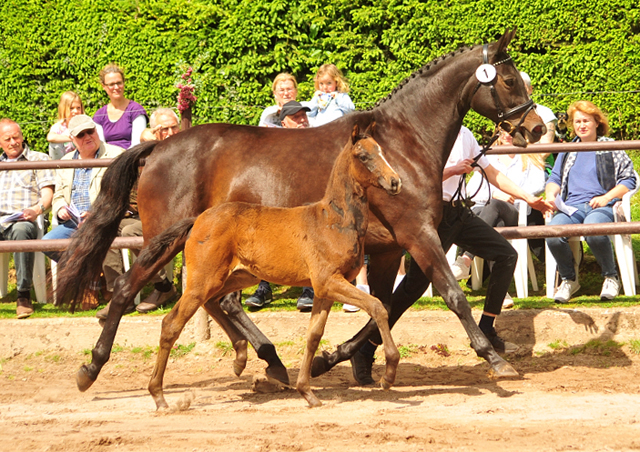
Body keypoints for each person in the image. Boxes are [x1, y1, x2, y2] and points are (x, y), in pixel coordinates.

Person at [351, 126, 553, 384]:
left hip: (460, 212)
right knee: (414, 286)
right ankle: (365, 347)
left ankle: (487, 328)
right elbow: (409, 179)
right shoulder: (426, 131)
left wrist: (528, 197)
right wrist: (453, 170)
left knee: (505, 255)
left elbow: (491, 172)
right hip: (433, 216)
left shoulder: (465, 135)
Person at [546, 100, 636, 303]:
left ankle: (610, 276)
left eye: (586, 120)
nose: (581, 125)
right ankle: (569, 279)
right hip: (571, 207)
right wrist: (551, 196)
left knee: (593, 229)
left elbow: (629, 179)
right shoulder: (568, 149)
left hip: (602, 205)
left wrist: (606, 197)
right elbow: (554, 179)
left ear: (597, 122)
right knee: (551, 233)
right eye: (577, 121)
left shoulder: (610, 146)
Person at [97, 108, 181, 320]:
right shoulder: (146, 153)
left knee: (131, 231)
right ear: (154, 132)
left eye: (174, 127)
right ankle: (117, 294)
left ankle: (163, 286)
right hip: (142, 213)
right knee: (106, 226)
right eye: (164, 129)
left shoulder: (185, 151)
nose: (170, 133)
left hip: (173, 217)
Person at [451, 129, 546, 308]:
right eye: (503, 132)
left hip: (516, 212)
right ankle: (501, 292)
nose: (507, 136)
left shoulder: (529, 155)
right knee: (494, 223)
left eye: (512, 132)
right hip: (489, 212)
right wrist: (495, 192)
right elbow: (472, 189)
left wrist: (508, 194)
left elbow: (538, 186)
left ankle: (465, 259)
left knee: (494, 206)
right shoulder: (490, 157)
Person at [42, 114, 125, 309]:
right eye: (81, 135)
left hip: (102, 219)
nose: (88, 137)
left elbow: (120, 193)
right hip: (72, 220)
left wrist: (96, 214)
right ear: (72, 139)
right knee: (46, 243)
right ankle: (93, 275)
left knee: (94, 238)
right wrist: (61, 207)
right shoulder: (65, 161)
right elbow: (59, 194)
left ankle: (90, 285)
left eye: (91, 131)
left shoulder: (116, 154)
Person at [245, 100, 316, 311]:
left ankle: (309, 288)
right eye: (296, 118)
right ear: (284, 123)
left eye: (303, 116)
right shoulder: (274, 145)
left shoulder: (316, 142)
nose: (302, 120)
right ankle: (264, 286)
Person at [0, 119, 55, 319]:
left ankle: (23, 295)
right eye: (8, 139)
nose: (13, 142)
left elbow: (48, 195)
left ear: (22, 137)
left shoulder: (38, 159)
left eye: (16, 137)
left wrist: (37, 209)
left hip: (24, 218)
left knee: (22, 230)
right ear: (0, 142)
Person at [93, 64, 148, 149]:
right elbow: (101, 146)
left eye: (119, 83)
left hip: (131, 158)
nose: (116, 87)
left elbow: (137, 145)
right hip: (107, 159)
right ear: (104, 86)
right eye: (111, 84)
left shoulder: (136, 110)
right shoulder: (99, 115)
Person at [47, 91, 85, 159]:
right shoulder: (59, 127)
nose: (76, 111)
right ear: (64, 109)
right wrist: (73, 139)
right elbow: (50, 137)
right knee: (55, 144)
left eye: (78, 108)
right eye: (71, 108)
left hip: (82, 158)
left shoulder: (85, 124)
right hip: (63, 160)